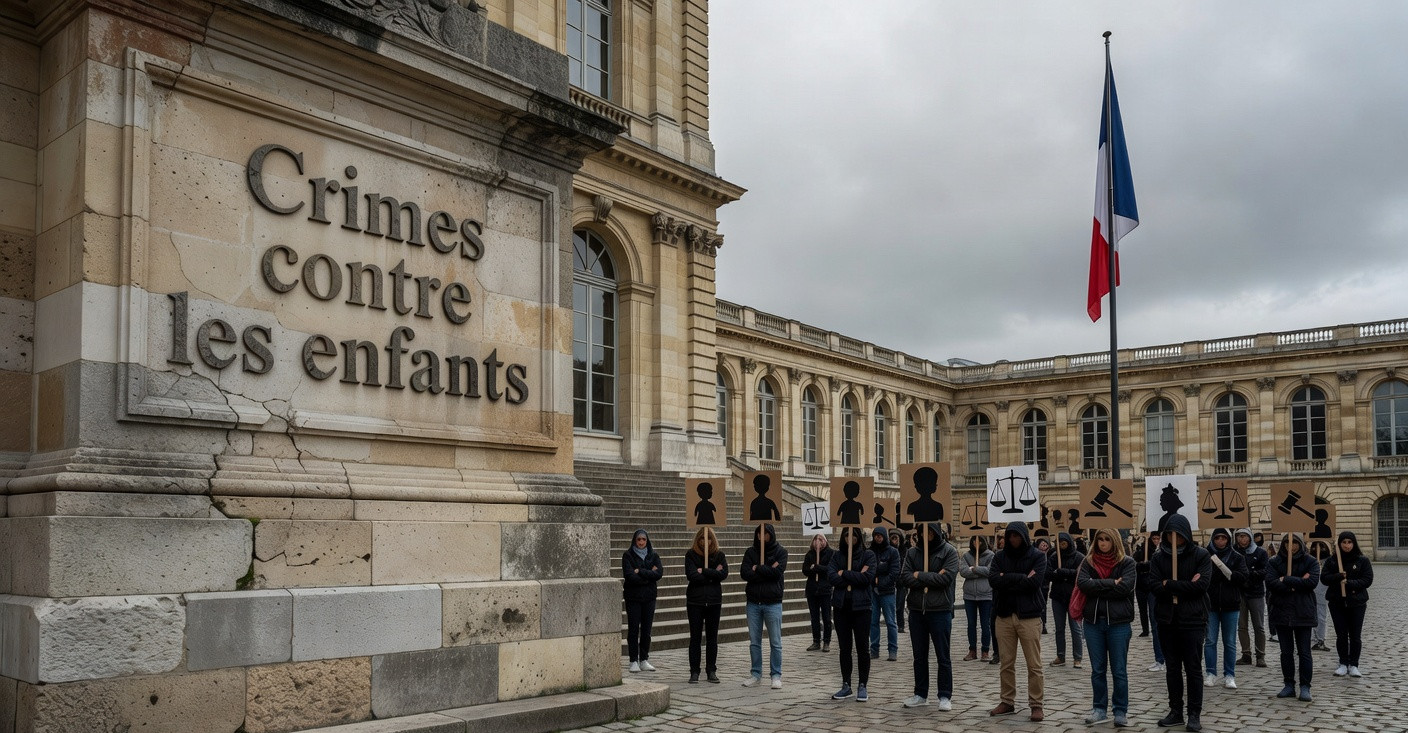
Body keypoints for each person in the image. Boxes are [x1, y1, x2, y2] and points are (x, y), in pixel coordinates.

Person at [1149, 513, 1213, 732]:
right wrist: (1181, 585)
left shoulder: (1200, 555)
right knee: (1173, 669)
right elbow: (1155, 586)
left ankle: (1194, 714)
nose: (1174, 539)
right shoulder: (1159, 557)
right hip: (1167, 619)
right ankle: (1175, 710)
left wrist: (1171, 584)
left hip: (1193, 619)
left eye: (1178, 535)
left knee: (1193, 668)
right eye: (1170, 534)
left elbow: (1201, 586)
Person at [988, 521, 1049, 722]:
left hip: (1029, 616)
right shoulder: (999, 556)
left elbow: (1034, 583)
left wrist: (1008, 578)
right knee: (1006, 662)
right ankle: (1007, 700)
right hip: (1004, 615)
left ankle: (1036, 704)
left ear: (1024, 536)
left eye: (1017, 535)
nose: (1013, 539)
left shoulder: (1038, 556)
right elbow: (994, 581)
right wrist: (1020, 578)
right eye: (1010, 536)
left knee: (1034, 664)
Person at [1077, 527, 1138, 728]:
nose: (1102, 543)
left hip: (1118, 624)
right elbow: (1084, 584)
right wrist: (1111, 582)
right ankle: (1099, 709)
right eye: (1099, 539)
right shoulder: (1088, 562)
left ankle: (1120, 710)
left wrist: (1098, 586)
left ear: (1114, 541)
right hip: (1094, 622)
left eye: (1106, 539)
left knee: (1119, 670)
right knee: (1098, 670)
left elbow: (1124, 589)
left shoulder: (1127, 563)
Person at [900, 522, 961, 709]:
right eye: (922, 531)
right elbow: (905, 578)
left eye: (930, 531)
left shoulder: (949, 552)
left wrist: (919, 575)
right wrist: (929, 576)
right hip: (917, 610)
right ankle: (920, 693)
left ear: (936, 532)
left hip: (940, 610)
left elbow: (945, 579)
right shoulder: (912, 553)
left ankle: (945, 695)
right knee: (919, 656)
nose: (926, 535)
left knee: (943, 656)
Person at [1266, 532, 1320, 702]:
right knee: (1286, 652)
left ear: (1300, 544)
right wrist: (1297, 583)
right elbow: (1271, 583)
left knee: (1304, 652)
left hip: (1303, 611)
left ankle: (1305, 686)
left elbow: (1311, 583)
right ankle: (1289, 684)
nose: (1291, 546)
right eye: (1288, 543)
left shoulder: (1310, 561)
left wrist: (1286, 580)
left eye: (1295, 543)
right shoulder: (1274, 562)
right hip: (1282, 611)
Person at [829, 527, 877, 701]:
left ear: (859, 537)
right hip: (842, 607)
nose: (850, 538)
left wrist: (845, 573)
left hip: (862, 608)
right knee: (844, 648)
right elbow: (832, 577)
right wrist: (856, 574)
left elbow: (867, 579)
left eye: (853, 535)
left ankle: (863, 684)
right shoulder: (837, 556)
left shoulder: (868, 555)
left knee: (863, 648)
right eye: (847, 535)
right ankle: (846, 684)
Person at [741, 523, 788, 688]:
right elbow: (745, 573)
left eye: (765, 533)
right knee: (755, 641)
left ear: (771, 534)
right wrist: (766, 570)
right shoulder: (750, 552)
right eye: (759, 533)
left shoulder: (781, 552)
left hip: (773, 603)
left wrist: (758, 569)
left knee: (775, 642)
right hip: (754, 602)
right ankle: (756, 673)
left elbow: (776, 574)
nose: (762, 536)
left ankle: (776, 675)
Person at [1321, 531, 1373, 677]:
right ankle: (1343, 663)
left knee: (1355, 635)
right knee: (1341, 635)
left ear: (1354, 543)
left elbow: (1367, 580)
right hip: (1337, 602)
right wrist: (1338, 576)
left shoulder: (1362, 560)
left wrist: (1349, 583)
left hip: (1357, 603)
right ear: (1339, 544)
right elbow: (1324, 578)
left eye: (1349, 542)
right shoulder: (1332, 561)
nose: (1347, 545)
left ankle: (1354, 664)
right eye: (1344, 542)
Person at [1203, 527, 1248, 689]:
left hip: (1231, 604)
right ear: (1213, 539)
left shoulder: (1237, 556)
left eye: (1223, 538)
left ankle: (1230, 674)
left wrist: (1227, 572)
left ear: (1228, 540)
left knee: (1229, 642)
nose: (1220, 541)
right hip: (1211, 605)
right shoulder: (1205, 555)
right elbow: (1203, 577)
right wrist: (1221, 573)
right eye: (1217, 538)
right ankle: (1210, 673)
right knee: (1210, 641)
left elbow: (1243, 577)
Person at [684, 527, 728, 683]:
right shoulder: (691, 555)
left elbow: (723, 574)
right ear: (698, 539)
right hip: (695, 601)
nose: (705, 541)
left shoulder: (719, 555)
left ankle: (711, 670)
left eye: (708, 538)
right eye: (702, 538)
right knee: (695, 638)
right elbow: (692, 575)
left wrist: (704, 571)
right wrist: (712, 574)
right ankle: (694, 671)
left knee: (712, 638)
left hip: (714, 601)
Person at [622, 528, 662, 673]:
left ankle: (644, 658)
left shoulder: (653, 555)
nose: (641, 542)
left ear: (647, 541)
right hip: (633, 597)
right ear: (635, 540)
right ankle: (633, 660)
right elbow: (629, 576)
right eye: (638, 539)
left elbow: (659, 573)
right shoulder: (628, 555)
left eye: (643, 539)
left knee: (646, 630)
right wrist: (649, 574)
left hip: (649, 597)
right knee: (633, 629)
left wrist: (641, 571)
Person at [1047, 532, 1085, 668]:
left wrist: (1064, 572)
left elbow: (1080, 574)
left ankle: (1078, 657)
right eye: (1060, 543)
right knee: (1059, 628)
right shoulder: (1053, 556)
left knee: (1075, 628)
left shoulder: (1079, 557)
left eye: (1064, 542)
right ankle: (1061, 655)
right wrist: (1058, 574)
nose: (1062, 545)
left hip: (1073, 597)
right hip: (1058, 596)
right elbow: (1048, 573)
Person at [1235, 528, 1270, 668]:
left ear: (1249, 537)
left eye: (1244, 536)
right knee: (1242, 626)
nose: (1241, 539)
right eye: (1239, 536)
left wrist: (1250, 574)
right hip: (1240, 593)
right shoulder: (1234, 551)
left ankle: (1260, 655)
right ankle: (1246, 654)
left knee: (1259, 626)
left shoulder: (1260, 552)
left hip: (1255, 592)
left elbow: (1265, 571)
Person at [960, 536, 995, 662]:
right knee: (971, 624)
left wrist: (974, 568)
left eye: (979, 540)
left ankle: (985, 651)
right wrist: (980, 571)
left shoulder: (990, 555)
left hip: (985, 594)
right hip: (969, 595)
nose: (976, 543)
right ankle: (972, 650)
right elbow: (963, 571)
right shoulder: (966, 556)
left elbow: (990, 571)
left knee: (985, 624)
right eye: (974, 540)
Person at [869, 527, 901, 661]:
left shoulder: (892, 552)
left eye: (880, 535)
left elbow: (894, 572)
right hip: (873, 592)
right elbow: (868, 569)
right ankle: (874, 649)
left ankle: (892, 649)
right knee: (873, 621)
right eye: (875, 535)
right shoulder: (869, 551)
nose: (878, 538)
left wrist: (880, 581)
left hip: (887, 591)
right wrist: (874, 579)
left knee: (890, 621)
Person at [1137, 531, 1167, 672]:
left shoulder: (1165, 550)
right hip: (1147, 587)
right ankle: (1159, 658)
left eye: (1157, 538)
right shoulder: (1143, 548)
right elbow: (1137, 564)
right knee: (1154, 623)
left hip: (1162, 590)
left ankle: (1169, 658)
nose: (1155, 540)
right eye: (1153, 538)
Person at [803, 534, 835, 652]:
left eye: (820, 539)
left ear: (825, 541)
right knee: (814, 617)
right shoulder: (810, 554)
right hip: (812, 590)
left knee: (826, 617)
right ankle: (816, 640)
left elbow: (830, 569)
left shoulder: (831, 553)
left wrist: (816, 567)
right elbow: (805, 570)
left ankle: (827, 641)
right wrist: (813, 569)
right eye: (816, 539)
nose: (818, 542)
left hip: (825, 590)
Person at [1309, 541, 1331, 651]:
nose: (1318, 549)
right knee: (1309, 614)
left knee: (1321, 616)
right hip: (1310, 589)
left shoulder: (1329, 561)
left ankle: (1320, 638)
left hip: (1323, 590)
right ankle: (1312, 638)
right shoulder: (1309, 559)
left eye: (1321, 547)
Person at [890, 529, 910, 633]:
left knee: (900, 605)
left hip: (902, 582)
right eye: (892, 538)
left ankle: (901, 625)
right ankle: (893, 624)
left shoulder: (904, 550)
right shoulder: (888, 550)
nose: (894, 540)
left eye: (896, 538)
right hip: (890, 581)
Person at [1035, 537, 1053, 634]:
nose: (1044, 545)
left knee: (1043, 604)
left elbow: (1049, 572)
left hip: (1044, 585)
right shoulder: (1034, 555)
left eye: (1046, 544)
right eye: (1042, 544)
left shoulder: (1050, 556)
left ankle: (1043, 624)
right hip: (1035, 584)